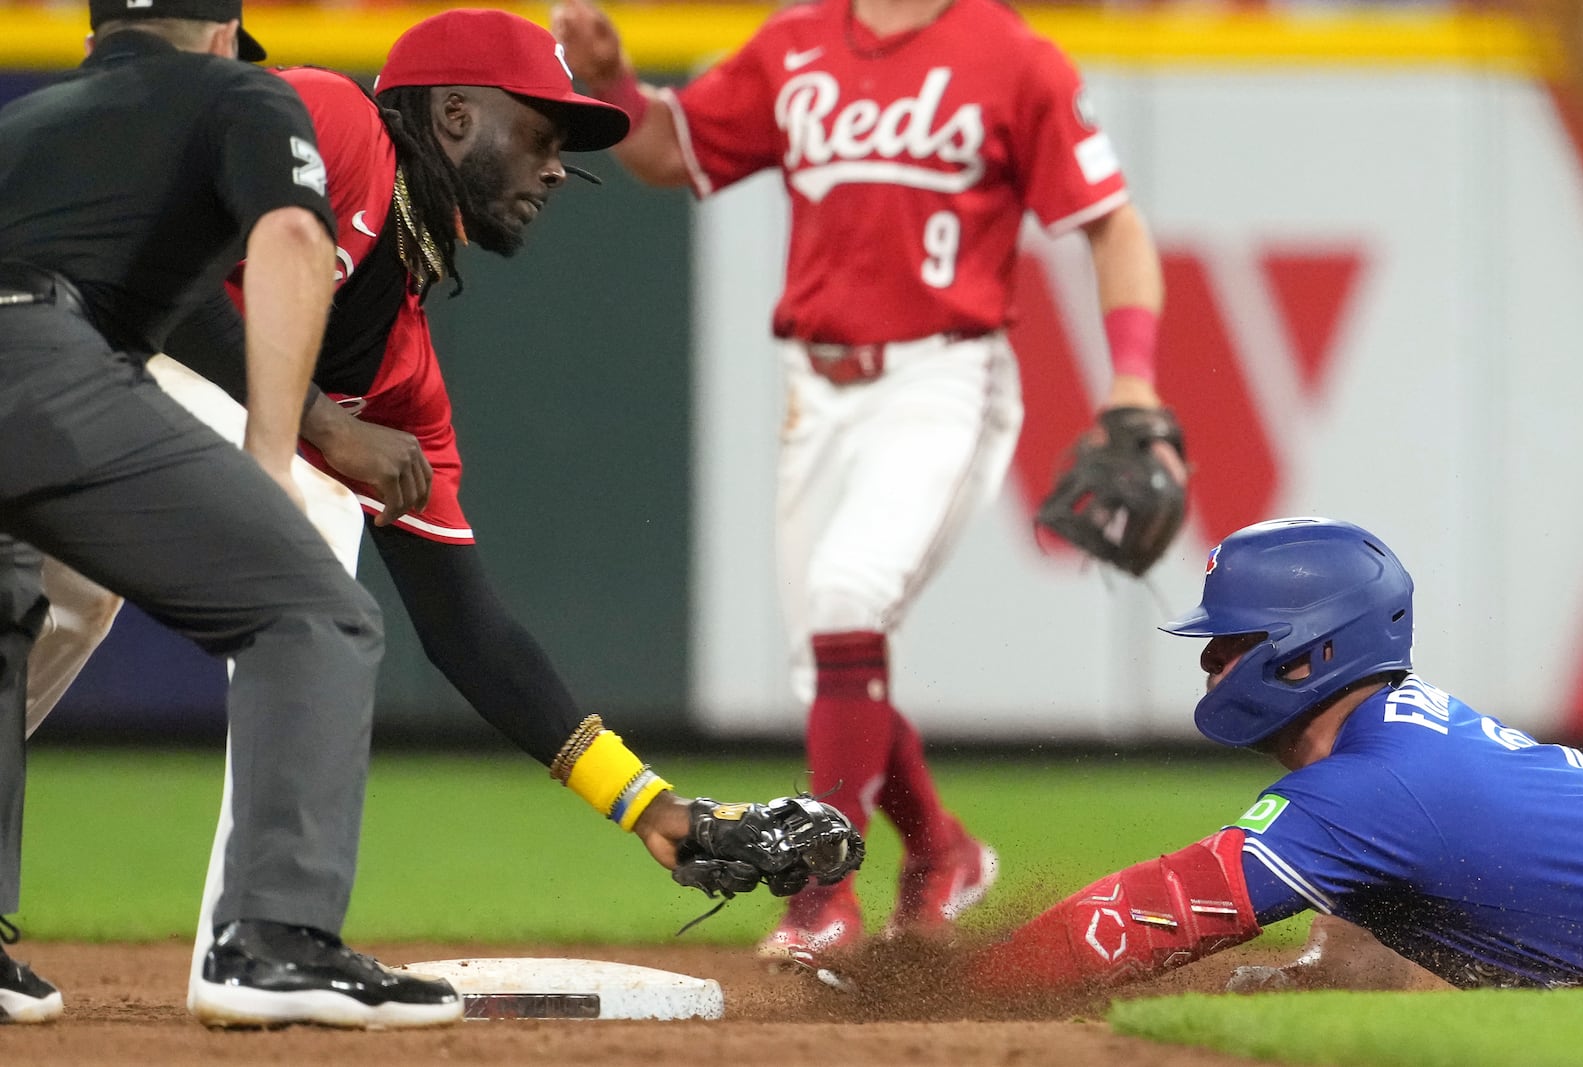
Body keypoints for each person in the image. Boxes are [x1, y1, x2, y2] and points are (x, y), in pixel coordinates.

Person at [20, 6, 859, 1009]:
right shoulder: (334, 123)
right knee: (301, 528)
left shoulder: (401, 373)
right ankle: (266, 936)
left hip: (79, 397)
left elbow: (468, 629)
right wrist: (323, 428)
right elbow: (160, 250)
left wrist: (651, 807)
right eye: (542, 134)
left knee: (62, 601)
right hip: (49, 336)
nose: (556, 169)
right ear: (455, 117)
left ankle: (258, 932)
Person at [551, 0, 1173, 959]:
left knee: (849, 597)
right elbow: (672, 152)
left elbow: (1112, 223)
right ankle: (942, 851)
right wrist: (612, 85)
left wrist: (1131, 379)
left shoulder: (1012, 57)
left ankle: (821, 895)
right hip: (818, 390)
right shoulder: (795, 42)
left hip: (942, 376)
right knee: (831, 662)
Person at [0, 0, 461, 1029]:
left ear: (92, 43)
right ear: (221, 37)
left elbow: (184, 294)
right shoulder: (245, 92)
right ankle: (273, 940)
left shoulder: (30, 123)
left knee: (7, 614)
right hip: (35, 364)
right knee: (310, 607)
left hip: (30, 340)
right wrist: (270, 458)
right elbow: (294, 237)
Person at [971, 518, 1583, 996]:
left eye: (1236, 638)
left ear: (1314, 650)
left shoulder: (1370, 786)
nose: (1209, 658)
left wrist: (969, 985)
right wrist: (1326, 970)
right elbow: (1394, 868)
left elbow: (1151, 909)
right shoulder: (1398, 734)